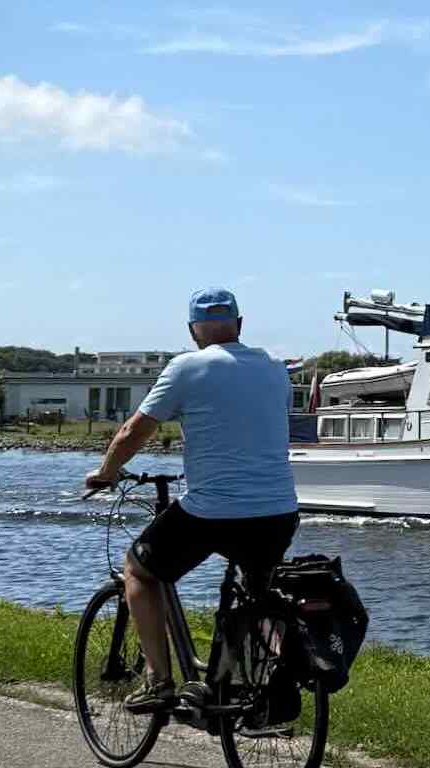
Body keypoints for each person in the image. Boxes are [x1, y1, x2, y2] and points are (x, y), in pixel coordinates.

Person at [84, 287, 300, 714]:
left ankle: (158, 681)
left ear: (192, 331)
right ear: (240, 325)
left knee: (140, 571)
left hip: (213, 512)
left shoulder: (187, 367)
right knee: (256, 592)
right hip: (279, 511)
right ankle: (255, 686)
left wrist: (106, 473)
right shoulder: (276, 369)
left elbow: (134, 430)